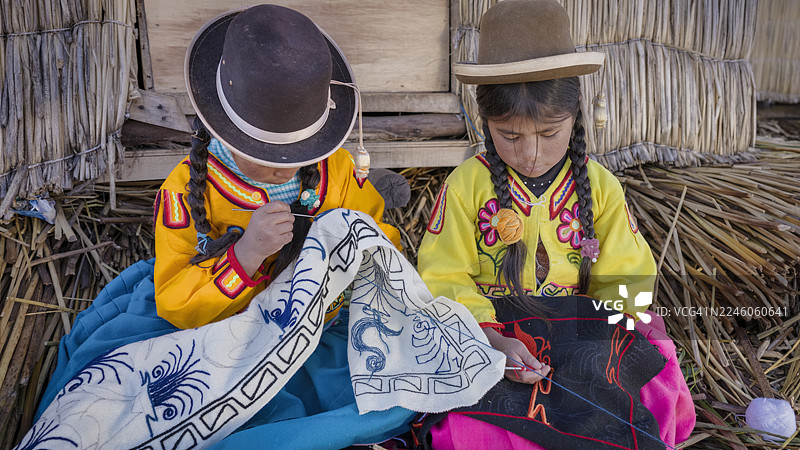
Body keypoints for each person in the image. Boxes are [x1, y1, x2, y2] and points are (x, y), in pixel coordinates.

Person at [34, 5, 415, 448]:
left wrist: (350, 260)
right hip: (214, 323)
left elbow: (373, 229)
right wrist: (246, 253)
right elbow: (176, 297)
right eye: (269, 157)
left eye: (297, 155)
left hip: (317, 326)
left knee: (370, 391)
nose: (283, 170)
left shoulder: (337, 169)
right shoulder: (186, 192)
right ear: (224, 132)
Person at [416, 1, 694, 448]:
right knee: (478, 417)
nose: (531, 154)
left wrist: (614, 325)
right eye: (510, 136)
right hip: (493, 330)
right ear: (487, 121)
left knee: (636, 368)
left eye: (549, 135)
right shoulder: (466, 186)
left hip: (581, 328)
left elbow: (624, 276)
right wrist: (489, 338)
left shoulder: (600, 188)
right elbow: (443, 275)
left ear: (575, 113)